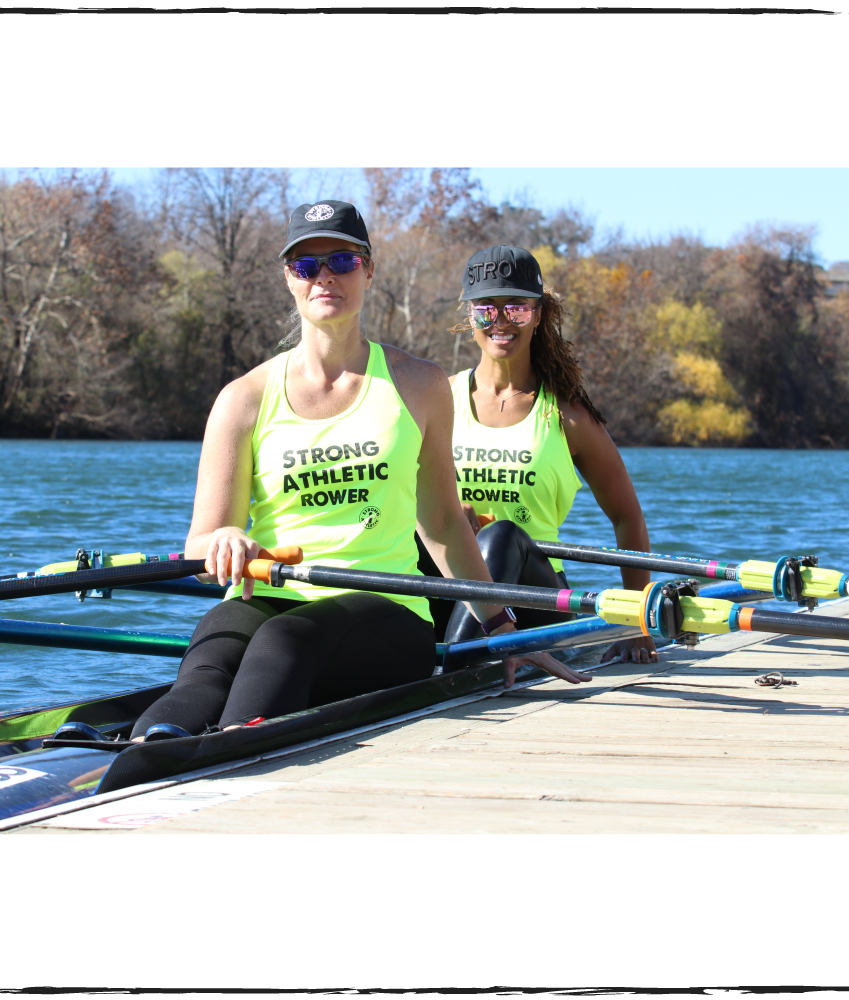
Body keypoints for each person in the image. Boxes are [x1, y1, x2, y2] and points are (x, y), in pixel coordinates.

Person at [130, 207, 590, 743]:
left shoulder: (418, 385)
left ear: (368, 270)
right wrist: (224, 541)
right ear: (288, 277)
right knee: (209, 657)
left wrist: (502, 627)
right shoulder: (242, 400)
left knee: (284, 643)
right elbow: (202, 550)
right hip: (269, 594)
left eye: (342, 260)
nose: (325, 276)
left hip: (389, 611)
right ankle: (143, 747)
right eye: (307, 264)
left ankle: (227, 747)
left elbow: (441, 522)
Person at [422, 244, 656, 665]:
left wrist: (636, 623)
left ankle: (453, 672)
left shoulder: (568, 415)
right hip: (452, 579)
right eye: (486, 310)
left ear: (539, 315)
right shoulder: (439, 398)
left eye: (517, 308)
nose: (501, 322)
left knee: (502, 537)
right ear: (469, 315)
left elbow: (628, 517)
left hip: (537, 599)